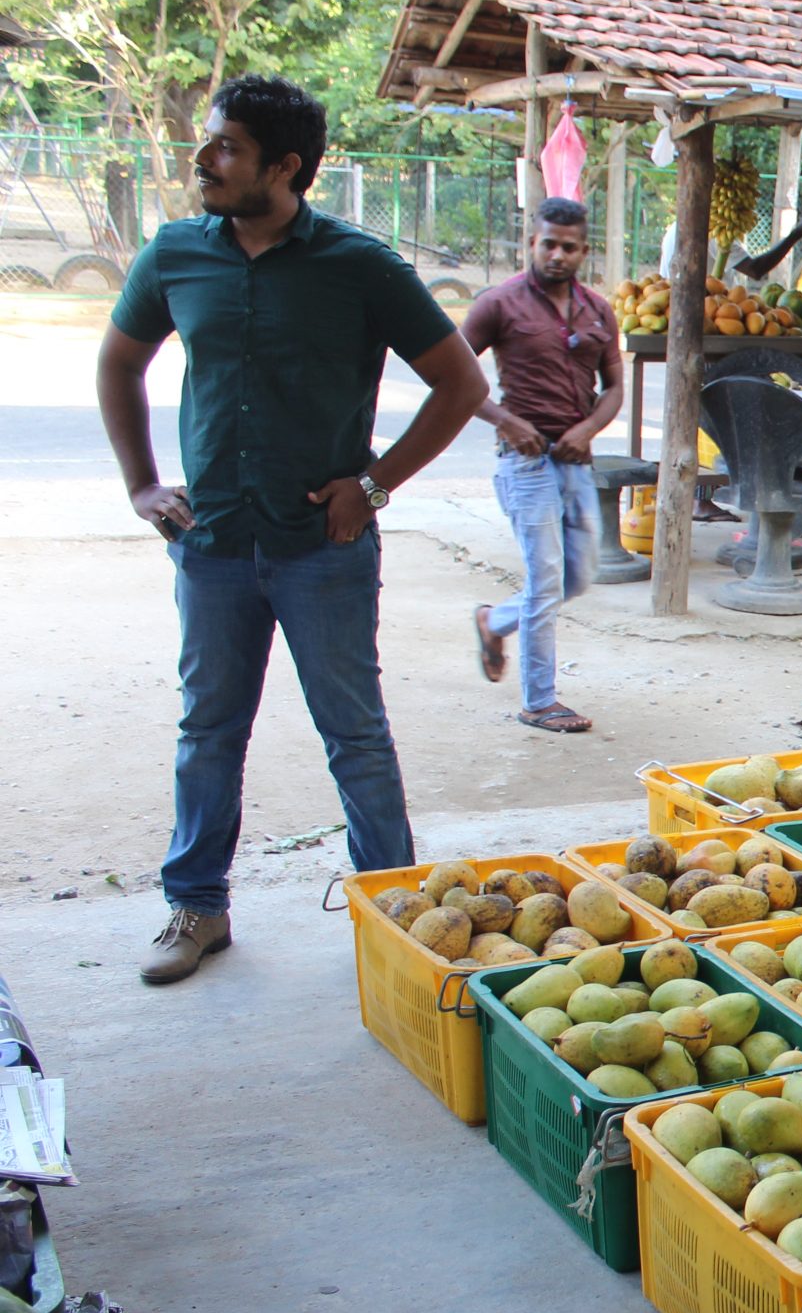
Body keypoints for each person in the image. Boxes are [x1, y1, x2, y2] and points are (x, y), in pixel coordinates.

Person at [97, 74, 489, 983]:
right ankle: (197, 908)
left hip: (325, 550)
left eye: (226, 147)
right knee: (208, 729)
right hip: (215, 546)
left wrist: (374, 484)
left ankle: (396, 919)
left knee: (354, 734)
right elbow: (120, 362)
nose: (205, 160)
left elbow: (463, 386)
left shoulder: (359, 265)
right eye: (211, 144)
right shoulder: (176, 255)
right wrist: (144, 485)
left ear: (286, 167)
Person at [464, 197, 624, 734]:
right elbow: (451, 376)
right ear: (532, 242)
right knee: (545, 577)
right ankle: (539, 700)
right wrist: (505, 421)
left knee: (576, 576)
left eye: (569, 247)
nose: (558, 254)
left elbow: (615, 386)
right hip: (524, 463)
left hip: (575, 461)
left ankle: (494, 621)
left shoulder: (598, 310)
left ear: (584, 251)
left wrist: (587, 430)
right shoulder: (499, 304)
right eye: (548, 243)